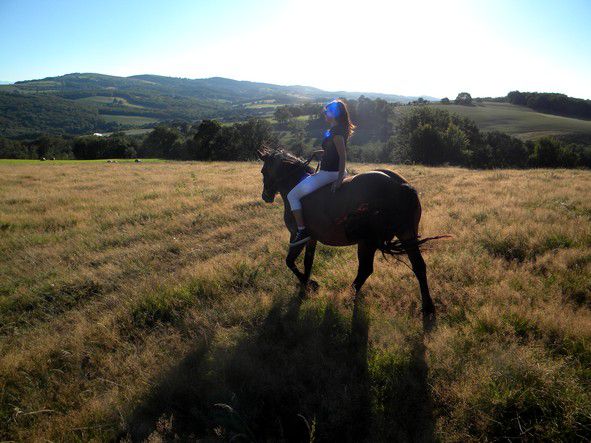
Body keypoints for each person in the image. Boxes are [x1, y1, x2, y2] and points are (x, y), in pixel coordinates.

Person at [287, 99, 355, 247]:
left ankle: (302, 231)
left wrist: (339, 179)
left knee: (292, 196)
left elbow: (342, 155)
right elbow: (334, 151)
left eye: (327, 112)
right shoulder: (338, 129)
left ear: (334, 114)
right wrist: (323, 152)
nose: (325, 114)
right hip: (332, 172)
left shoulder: (336, 132)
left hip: (329, 174)